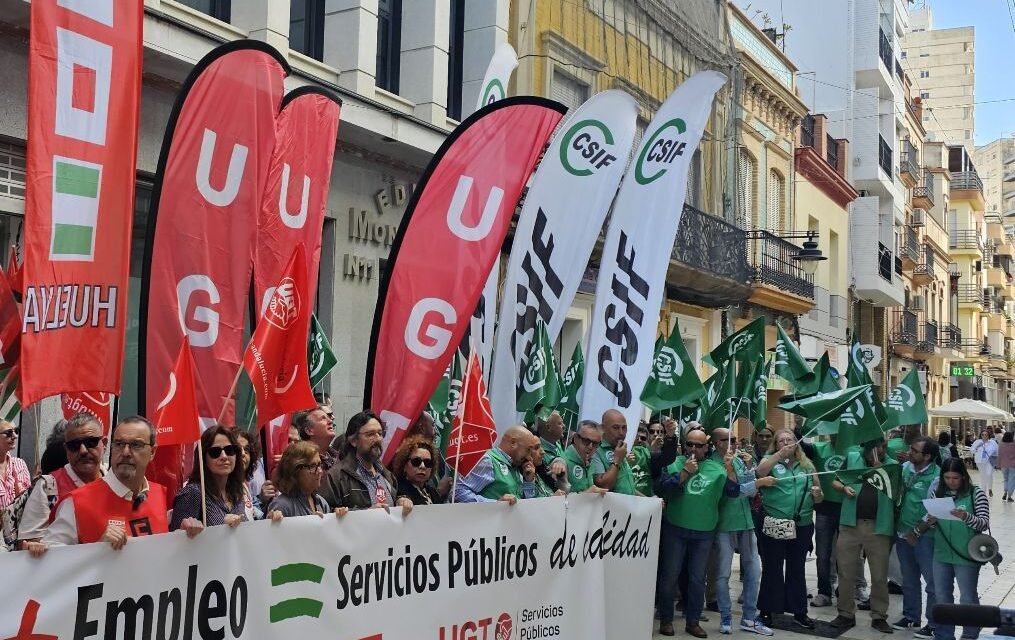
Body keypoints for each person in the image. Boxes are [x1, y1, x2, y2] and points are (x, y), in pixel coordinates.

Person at [29, 417, 189, 554]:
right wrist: (98, 550)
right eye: (119, 444)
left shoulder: (159, 494)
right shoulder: (76, 503)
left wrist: (188, 538)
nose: (125, 452)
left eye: (136, 445)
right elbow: (51, 563)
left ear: (152, 452)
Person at [655, 427, 740, 637]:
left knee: (697, 578)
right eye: (690, 444)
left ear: (706, 448)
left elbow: (733, 492)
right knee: (669, 576)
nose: (693, 448)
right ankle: (666, 619)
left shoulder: (717, 468)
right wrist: (684, 473)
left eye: (699, 445)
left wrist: (730, 470)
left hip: (704, 532)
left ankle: (692, 621)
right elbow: (663, 490)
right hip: (675, 528)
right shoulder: (674, 463)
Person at [913, 458, 990, 640]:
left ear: (963, 476)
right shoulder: (938, 493)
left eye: (955, 478)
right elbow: (932, 522)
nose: (951, 482)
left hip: (966, 554)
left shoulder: (976, 493)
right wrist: (930, 521)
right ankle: (944, 635)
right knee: (942, 597)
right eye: (947, 478)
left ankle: (969, 635)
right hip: (941, 553)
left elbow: (984, 523)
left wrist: (966, 517)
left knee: (967, 598)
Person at [755, 428, 823, 630]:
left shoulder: (807, 465)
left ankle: (799, 611)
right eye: (781, 440)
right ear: (776, 444)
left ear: (797, 443)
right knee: (772, 567)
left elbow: (819, 496)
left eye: (790, 440)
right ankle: (768, 610)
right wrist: (778, 456)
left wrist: (817, 494)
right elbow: (759, 473)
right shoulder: (769, 460)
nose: (786, 443)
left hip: (801, 524)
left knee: (797, 568)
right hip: (775, 522)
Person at [710, 427, 776, 636]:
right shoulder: (711, 464)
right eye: (728, 439)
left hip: (746, 522)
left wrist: (748, 468)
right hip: (725, 524)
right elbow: (732, 493)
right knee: (723, 574)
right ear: (717, 443)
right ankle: (726, 617)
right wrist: (758, 482)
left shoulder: (737, 460)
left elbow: (749, 489)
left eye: (735, 439)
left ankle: (749, 617)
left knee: (753, 572)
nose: (734, 443)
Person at [828, 440, 898, 634]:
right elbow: (835, 480)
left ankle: (879, 616)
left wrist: (880, 470)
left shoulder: (892, 465)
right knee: (845, 571)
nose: (878, 450)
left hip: (879, 526)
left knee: (879, 574)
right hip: (850, 524)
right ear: (865, 447)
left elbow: (897, 492)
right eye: (874, 446)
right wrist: (843, 488)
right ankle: (845, 613)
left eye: (882, 446)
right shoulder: (852, 458)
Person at [17, 414, 107, 545]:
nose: (83, 450)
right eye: (74, 445)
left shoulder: (117, 480)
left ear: (104, 443)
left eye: (90, 442)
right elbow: (27, 541)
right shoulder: (48, 487)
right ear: (66, 449)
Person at [320, 411, 413, 515]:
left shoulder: (387, 475)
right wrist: (366, 514)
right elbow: (325, 512)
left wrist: (401, 499)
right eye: (370, 434)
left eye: (380, 433)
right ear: (354, 441)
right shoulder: (337, 476)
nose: (378, 439)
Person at [896, 436, 941, 638]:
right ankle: (911, 616)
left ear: (927, 456)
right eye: (911, 449)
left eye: (915, 451)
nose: (910, 453)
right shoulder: (905, 468)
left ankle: (933, 624)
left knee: (932, 582)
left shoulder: (937, 476)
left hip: (925, 536)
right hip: (902, 532)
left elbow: (934, 510)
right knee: (908, 578)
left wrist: (917, 531)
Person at [169, 426, 248, 531]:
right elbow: (175, 538)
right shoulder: (193, 493)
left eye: (229, 450)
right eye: (215, 452)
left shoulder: (237, 493)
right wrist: (222, 527)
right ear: (203, 458)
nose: (224, 456)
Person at [454, 426, 536, 503]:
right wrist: (495, 504)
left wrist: (528, 482)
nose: (529, 457)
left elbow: (526, 505)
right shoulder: (488, 461)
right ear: (513, 443)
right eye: (528, 450)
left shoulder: (516, 466)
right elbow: (458, 492)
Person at [267, 441, 344, 518]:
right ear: (295, 471)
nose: (320, 471)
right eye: (313, 466)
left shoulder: (321, 502)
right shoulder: (282, 506)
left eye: (319, 464)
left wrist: (339, 518)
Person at [592, 409, 637, 494]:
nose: (621, 432)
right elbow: (602, 486)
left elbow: (626, 487)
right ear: (602, 428)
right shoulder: (596, 450)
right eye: (616, 428)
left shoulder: (619, 449)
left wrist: (649, 499)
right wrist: (617, 460)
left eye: (624, 427)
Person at [561, 421, 608, 495]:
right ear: (575, 438)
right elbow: (558, 499)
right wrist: (586, 494)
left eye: (595, 443)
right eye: (586, 441)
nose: (590, 447)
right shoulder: (563, 462)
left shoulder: (590, 460)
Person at [391, 435, 439, 505]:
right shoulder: (397, 489)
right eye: (416, 461)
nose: (422, 466)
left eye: (427, 462)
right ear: (404, 465)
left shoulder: (433, 493)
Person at [235, 430, 267, 520]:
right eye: (237, 449)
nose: (242, 453)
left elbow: (255, 516)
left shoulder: (245, 486)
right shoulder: (220, 488)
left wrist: (270, 516)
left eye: (246, 450)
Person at [0, 421, 30, 509]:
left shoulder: (20, 464)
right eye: (8, 433)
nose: (15, 436)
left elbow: (27, 502)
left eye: (16, 431)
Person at [970, 429, 998, 497]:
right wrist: (977, 447)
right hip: (980, 461)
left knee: (989, 474)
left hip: (989, 461)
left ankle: (990, 488)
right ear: (981, 435)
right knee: (983, 476)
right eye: (983, 435)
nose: (984, 436)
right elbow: (972, 450)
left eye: (986, 435)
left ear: (988, 435)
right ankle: (983, 492)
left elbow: (997, 451)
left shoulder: (992, 442)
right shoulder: (977, 442)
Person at [997, 431, 1015, 502]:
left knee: (1006, 479)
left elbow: (999, 456)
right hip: (1013, 465)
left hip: (1003, 465)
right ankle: (1009, 496)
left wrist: (998, 465)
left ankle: (1005, 492)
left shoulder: (1001, 445)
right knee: (1012, 480)